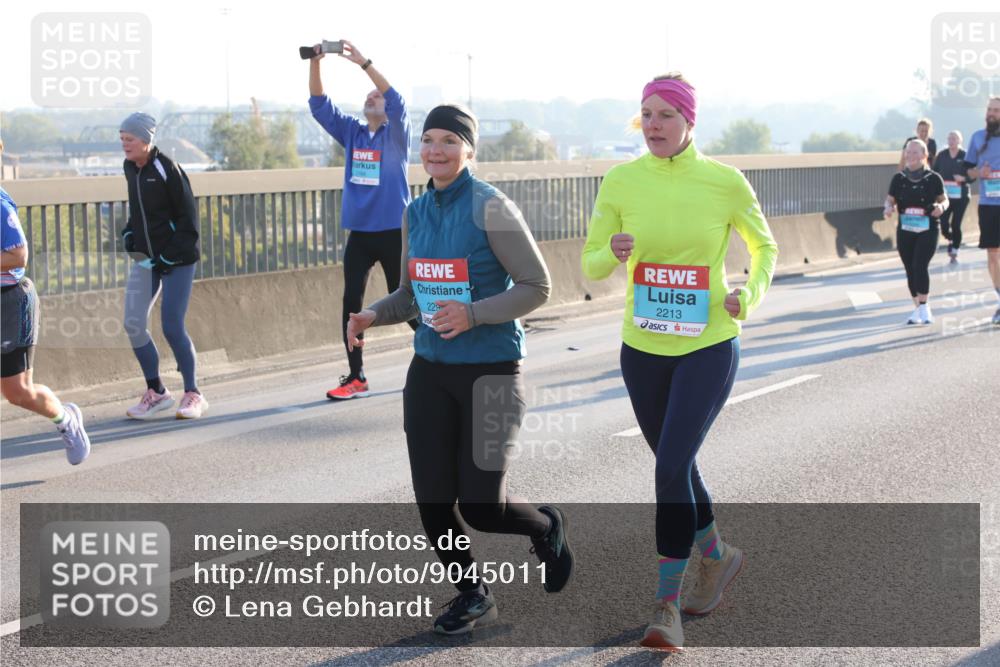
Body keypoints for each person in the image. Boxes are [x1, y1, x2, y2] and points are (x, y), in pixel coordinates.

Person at [346, 104, 573, 635]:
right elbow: (410, 294)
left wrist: (473, 314)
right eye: (429, 140)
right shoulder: (415, 211)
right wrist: (373, 313)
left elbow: (537, 286)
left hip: (492, 372)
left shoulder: (492, 207)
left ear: (469, 150)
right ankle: (473, 594)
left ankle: (545, 526)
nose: (436, 150)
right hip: (429, 371)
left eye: (449, 140)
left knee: (481, 505)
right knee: (432, 498)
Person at [581, 73, 778, 651]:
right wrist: (611, 250)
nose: (654, 125)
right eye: (646, 114)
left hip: (707, 343)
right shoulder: (621, 180)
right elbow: (591, 264)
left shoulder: (724, 181)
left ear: (690, 121)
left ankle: (666, 606)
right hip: (642, 347)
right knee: (678, 466)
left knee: (668, 468)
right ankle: (718, 556)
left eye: (666, 114)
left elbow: (765, 246)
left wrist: (749, 293)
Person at [308, 39, 418, 400]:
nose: (372, 97)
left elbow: (397, 101)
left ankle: (443, 356)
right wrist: (316, 62)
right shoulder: (353, 133)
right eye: (368, 95)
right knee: (350, 305)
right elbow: (320, 106)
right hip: (361, 233)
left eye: (377, 96)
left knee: (406, 303)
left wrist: (364, 64)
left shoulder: (397, 134)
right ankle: (356, 377)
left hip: (394, 232)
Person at [1, 139, 90, 464]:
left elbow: (18, 255)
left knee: (18, 393)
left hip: (9, 302)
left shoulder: (0, 205)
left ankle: (66, 420)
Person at [119, 113, 207, 419]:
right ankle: (156, 392)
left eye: (130, 139)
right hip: (147, 259)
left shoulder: (167, 168)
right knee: (133, 323)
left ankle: (193, 394)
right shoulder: (130, 168)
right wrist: (129, 235)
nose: (124, 144)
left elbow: (189, 220)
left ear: (146, 140)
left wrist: (169, 256)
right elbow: (139, 211)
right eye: (122, 139)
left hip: (177, 258)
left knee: (172, 326)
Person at [884, 139, 948, 325]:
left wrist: (941, 207)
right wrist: (888, 208)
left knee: (920, 265)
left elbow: (945, 200)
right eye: (908, 152)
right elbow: (889, 200)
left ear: (924, 155)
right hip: (906, 229)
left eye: (915, 152)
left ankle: (925, 306)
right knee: (909, 268)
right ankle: (918, 309)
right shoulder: (898, 179)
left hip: (928, 228)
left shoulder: (934, 178)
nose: (910, 156)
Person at [963, 96, 1000, 325]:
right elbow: (966, 170)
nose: (991, 113)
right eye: (989, 109)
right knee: (993, 255)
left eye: (996, 110)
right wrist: (979, 173)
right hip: (988, 205)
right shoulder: (977, 137)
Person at [933, 131, 970, 263]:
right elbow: (934, 173)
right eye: (949, 138)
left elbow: (974, 175)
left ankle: (955, 249)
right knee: (943, 224)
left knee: (956, 224)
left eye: (954, 138)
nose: (951, 141)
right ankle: (951, 239)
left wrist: (964, 178)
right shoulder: (942, 155)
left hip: (961, 197)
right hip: (945, 197)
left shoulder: (965, 155)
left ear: (960, 141)